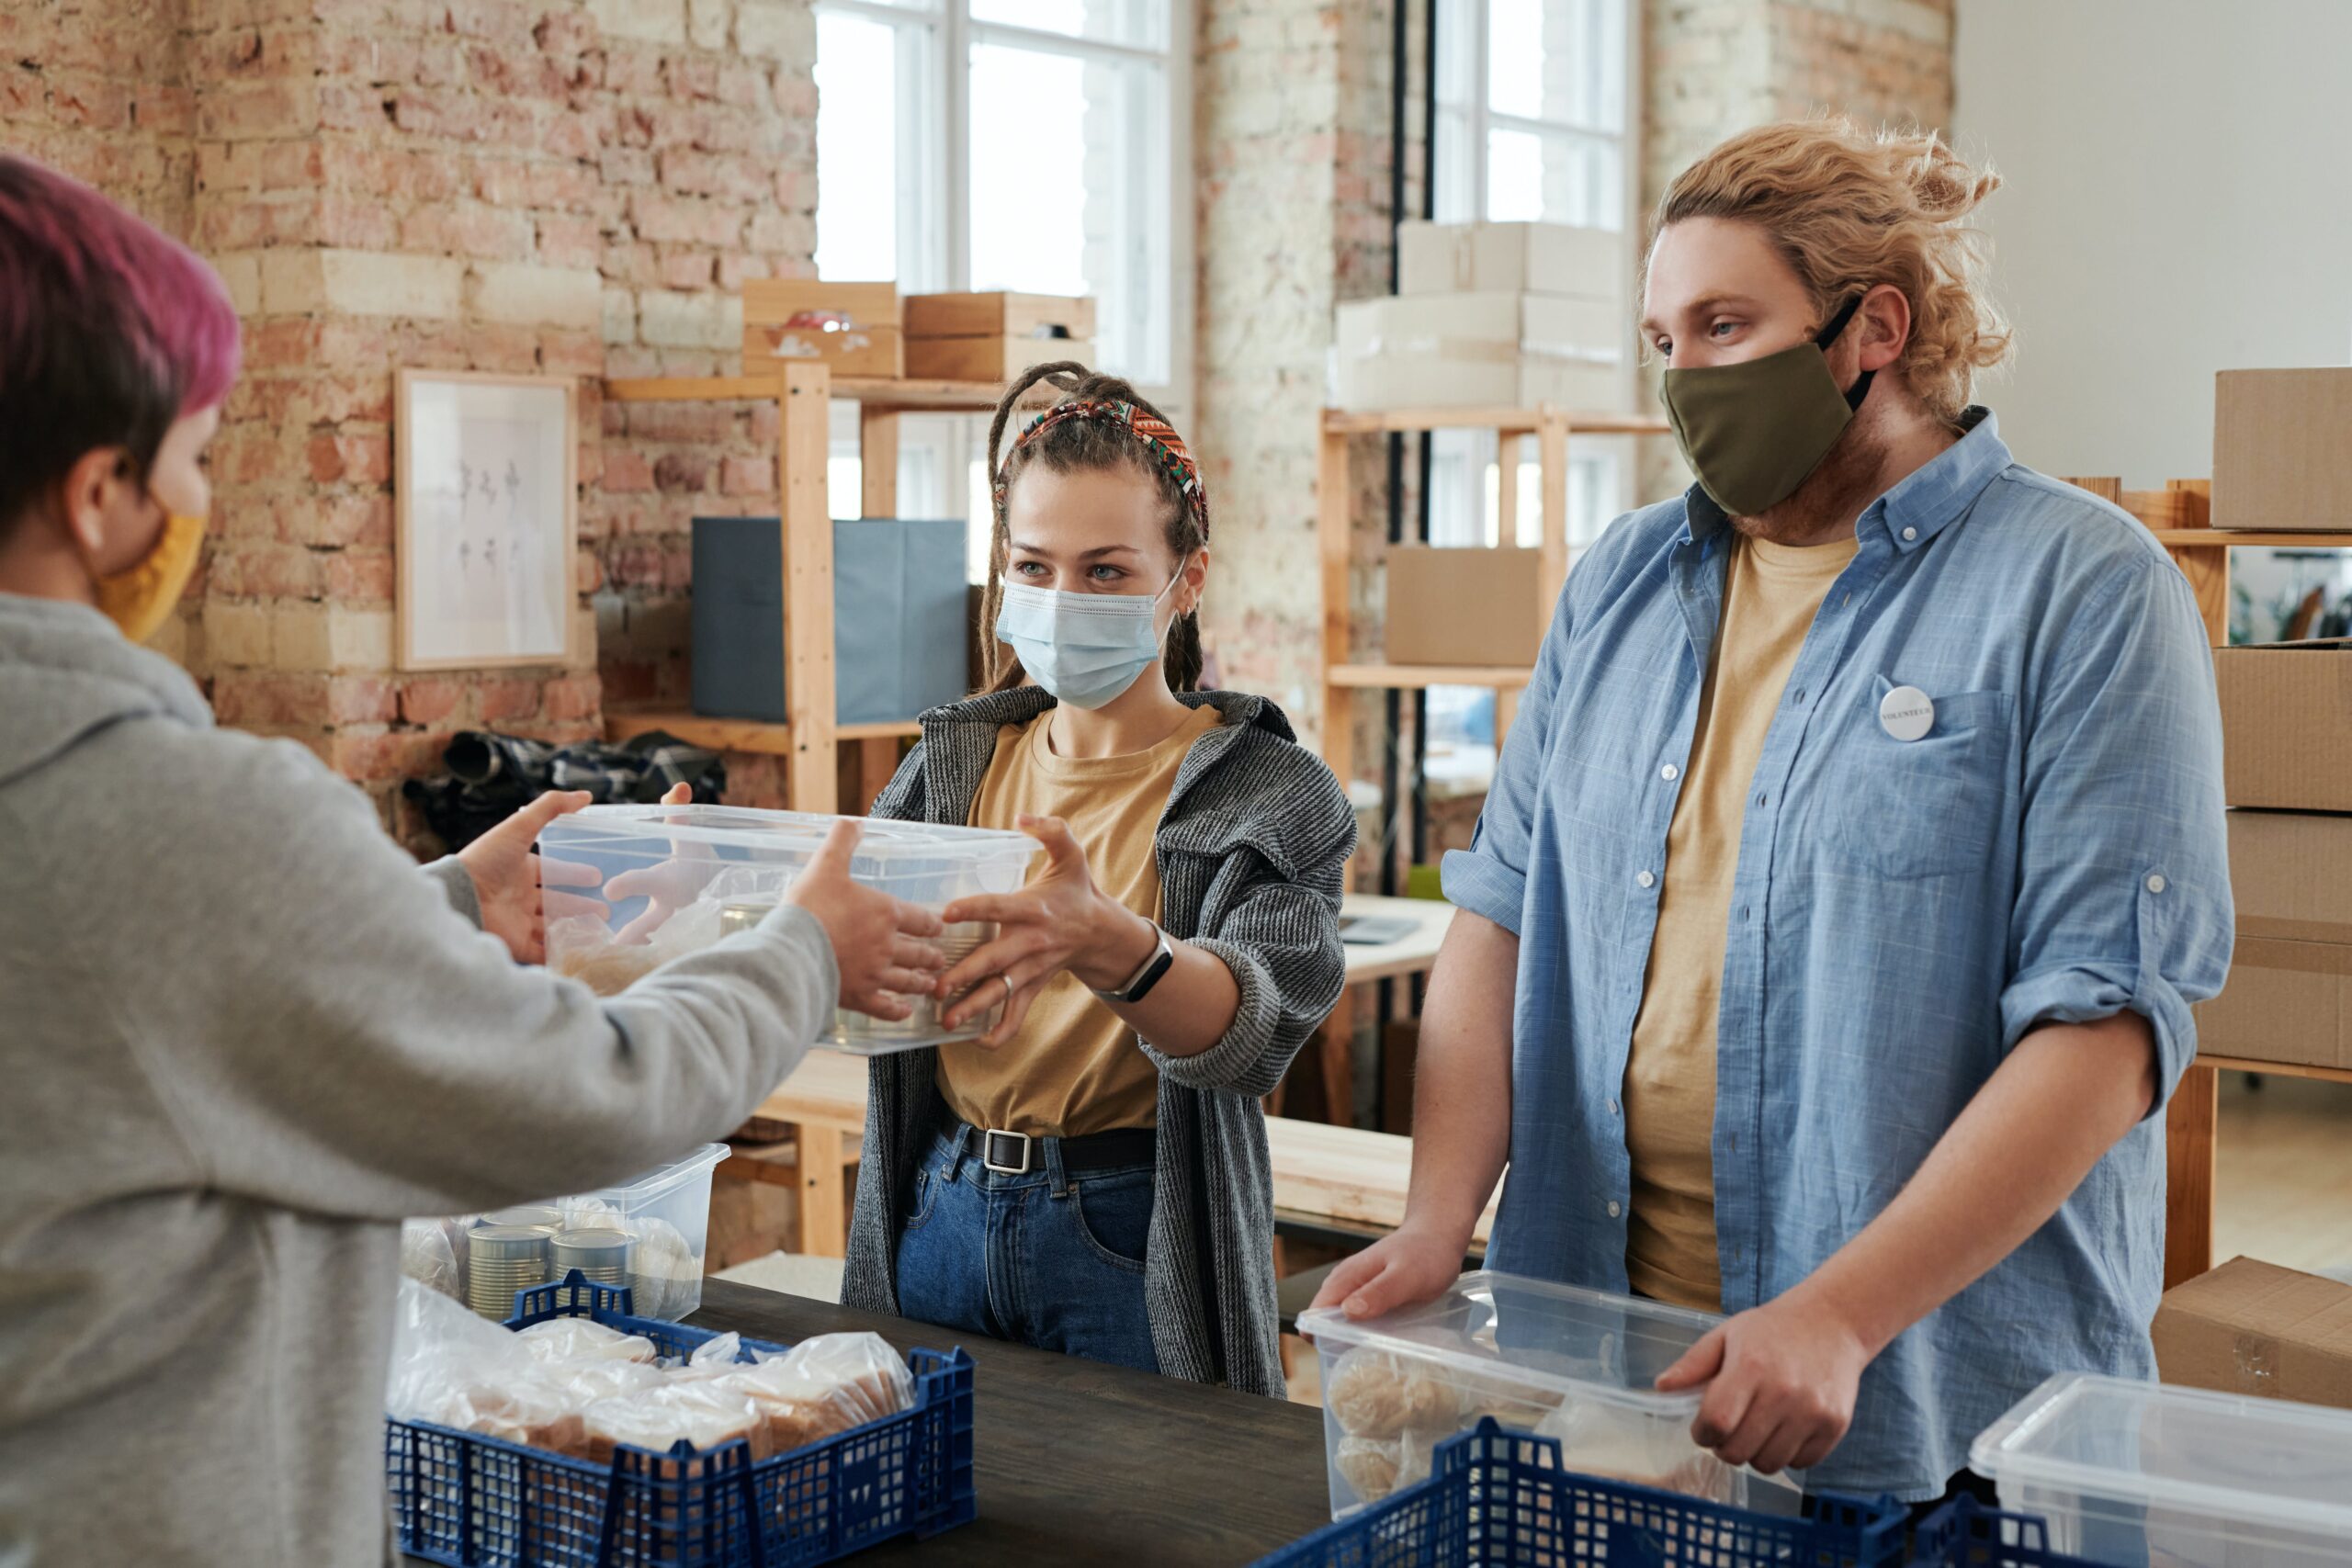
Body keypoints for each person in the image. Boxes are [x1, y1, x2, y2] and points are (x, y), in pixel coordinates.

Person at [0, 153, 945, 1563]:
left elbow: (131, 1006)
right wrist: (801, 951)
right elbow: (591, 1096)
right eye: (196, 458)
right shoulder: (170, 812)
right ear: (97, 495)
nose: (199, 501)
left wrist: (430, 908)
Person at [1315, 118, 2233, 1504]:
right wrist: (1444, 1217)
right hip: (1613, 1375)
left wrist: (1842, 1311)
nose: (1686, 377)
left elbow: (2105, 1029)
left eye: (1726, 325)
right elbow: (1500, 916)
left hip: (1928, 1406)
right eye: (1663, 338)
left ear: (1873, 327)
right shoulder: (1622, 582)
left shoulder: (2086, 590)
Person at [840, 363, 1356, 1394]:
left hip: (1130, 1227)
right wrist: (705, 900)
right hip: (937, 1202)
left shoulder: (1270, 790)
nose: (1061, 600)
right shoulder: (953, 766)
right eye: (1033, 567)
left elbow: (1254, 1037)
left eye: (1106, 571)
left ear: (1186, 580)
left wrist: (1105, 941)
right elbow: (855, 949)